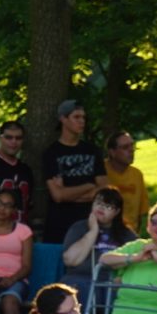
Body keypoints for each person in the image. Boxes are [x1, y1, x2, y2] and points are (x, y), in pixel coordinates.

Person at [60, 186, 138, 310]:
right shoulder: (79, 227)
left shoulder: (127, 235)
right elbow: (70, 260)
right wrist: (93, 231)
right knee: (83, 288)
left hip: (111, 280)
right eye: (98, 203)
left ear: (117, 211)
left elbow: (136, 261)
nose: (101, 208)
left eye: (108, 206)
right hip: (80, 278)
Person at [41, 100, 109, 244]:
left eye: (83, 117)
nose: (82, 121)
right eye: (76, 117)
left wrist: (69, 194)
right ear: (63, 119)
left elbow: (103, 190)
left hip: (89, 223)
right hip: (60, 225)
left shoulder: (92, 151)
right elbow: (58, 196)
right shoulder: (52, 153)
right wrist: (89, 186)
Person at [104, 131, 149, 232]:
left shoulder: (137, 174)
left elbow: (141, 213)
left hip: (130, 233)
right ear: (112, 152)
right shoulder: (101, 172)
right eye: (125, 147)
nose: (131, 150)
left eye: (132, 146)